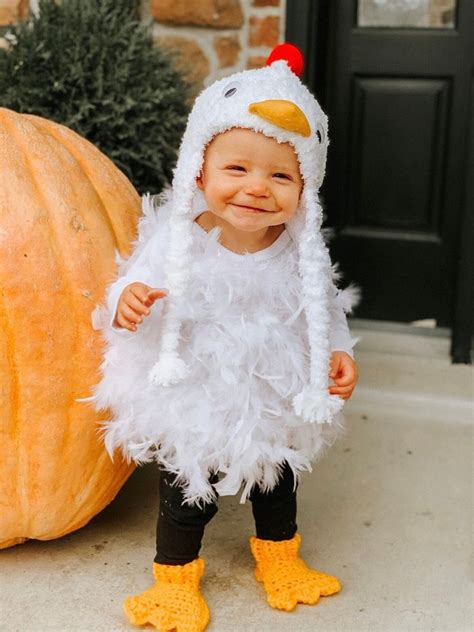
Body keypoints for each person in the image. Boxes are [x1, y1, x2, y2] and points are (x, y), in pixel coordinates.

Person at [87, 43, 360, 631]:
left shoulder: (299, 253)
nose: (257, 188)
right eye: (237, 169)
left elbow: (326, 305)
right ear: (199, 171)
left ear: (304, 190)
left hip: (272, 393)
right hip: (196, 392)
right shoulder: (179, 240)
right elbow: (128, 285)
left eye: (281, 175)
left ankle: (279, 558)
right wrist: (126, 302)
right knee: (188, 494)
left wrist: (338, 350)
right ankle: (175, 580)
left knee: (277, 481)